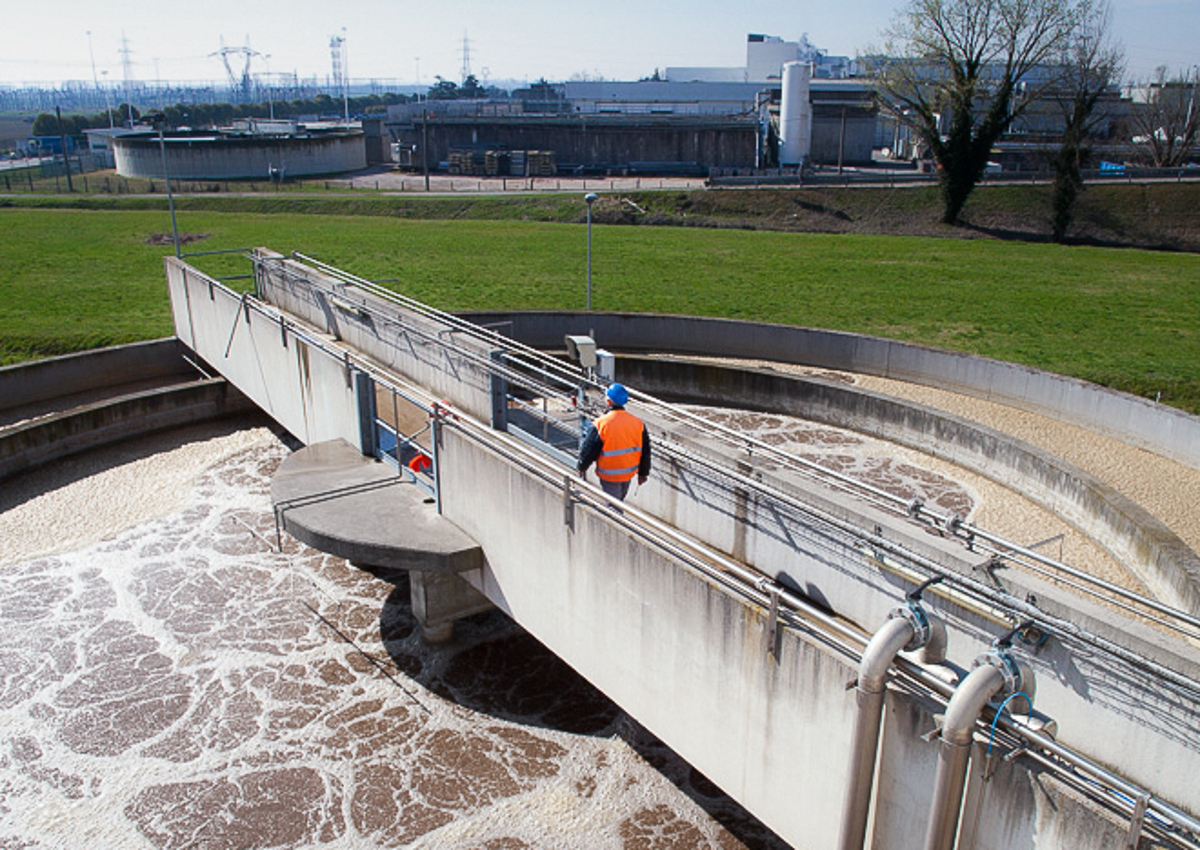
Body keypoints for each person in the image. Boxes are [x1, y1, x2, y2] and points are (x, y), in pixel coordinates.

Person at [577, 383, 651, 502]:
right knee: (619, 501)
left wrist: (582, 466)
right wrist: (643, 472)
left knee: (613, 506)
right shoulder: (637, 423)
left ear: (609, 402)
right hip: (628, 472)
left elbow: (590, 449)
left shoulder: (601, 423)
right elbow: (646, 450)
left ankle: (615, 520)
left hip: (609, 473)